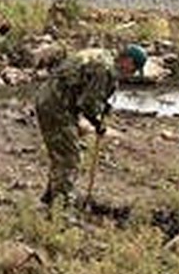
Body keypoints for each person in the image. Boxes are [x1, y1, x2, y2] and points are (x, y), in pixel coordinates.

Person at [35, 44, 147, 209]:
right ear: (128, 60)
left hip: (53, 99)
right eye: (134, 67)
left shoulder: (104, 55)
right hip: (56, 106)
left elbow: (85, 87)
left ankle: (52, 199)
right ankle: (62, 209)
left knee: (62, 153)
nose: (132, 73)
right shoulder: (105, 69)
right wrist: (97, 124)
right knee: (69, 158)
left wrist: (103, 105)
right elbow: (88, 104)